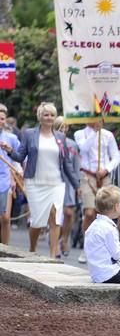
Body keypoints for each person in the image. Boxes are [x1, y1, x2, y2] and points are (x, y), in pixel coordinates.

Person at [0, 102, 79, 258]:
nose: (49, 118)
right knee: (37, 222)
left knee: (55, 217)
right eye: (46, 115)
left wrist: (77, 185)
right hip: (35, 183)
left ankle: (52, 256)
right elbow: (20, 156)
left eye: (52, 115)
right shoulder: (30, 134)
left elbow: (66, 163)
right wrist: (9, 151)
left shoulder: (60, 137)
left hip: (56, 183)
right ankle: (32, 249)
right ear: (40, 117)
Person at [74, 121, 119, 263]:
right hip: (87, 176)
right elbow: (83, 148)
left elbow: (116, 157)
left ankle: (108, 249)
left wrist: (106, 169)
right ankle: (86, 248)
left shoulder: (108, 135)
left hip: (104, 177)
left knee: (107, 213)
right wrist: (95, 132)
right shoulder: (80, 134)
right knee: (89, 213)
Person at [53, 116, 81, 257]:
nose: (62, 131)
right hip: (54, 181)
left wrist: (78, 184)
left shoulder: (72, 145)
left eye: (64, 128)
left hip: (69, 182)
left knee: (69, 213)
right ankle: (56, 243)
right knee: (56, 214)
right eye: (59, 128)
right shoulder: (50, 142)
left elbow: (75, 166)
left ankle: (65, 237)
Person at [0, 107, 21, 245]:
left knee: (6, 218)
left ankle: (5, 251)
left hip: (5, 181)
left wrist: (17, 176)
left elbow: (20, 158)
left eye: (2, 118)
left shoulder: (11, 138)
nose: (0, 121)